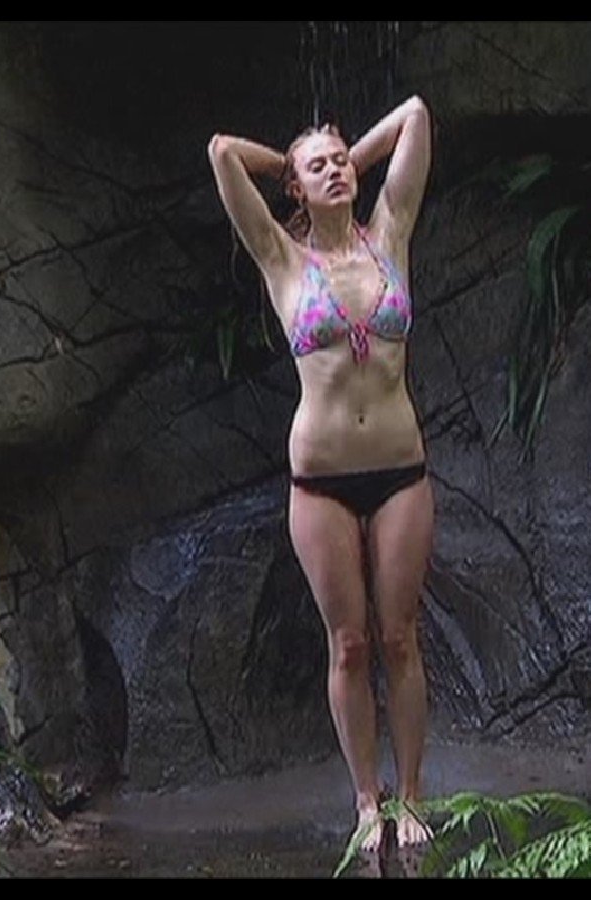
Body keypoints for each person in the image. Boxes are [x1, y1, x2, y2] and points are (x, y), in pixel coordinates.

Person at [207, 95, 434, 870]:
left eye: (341, 161)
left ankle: (412, 795)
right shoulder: (281, 258)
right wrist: (290, 166)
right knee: (350, 645)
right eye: (320, 166)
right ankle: (367, 801)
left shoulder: (391, 233)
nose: (336, 170)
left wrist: (350, 160)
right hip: (320, 483)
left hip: (400, 472)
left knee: (400, 638)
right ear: (295, 189)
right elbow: (221, 152)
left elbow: (415, 115)